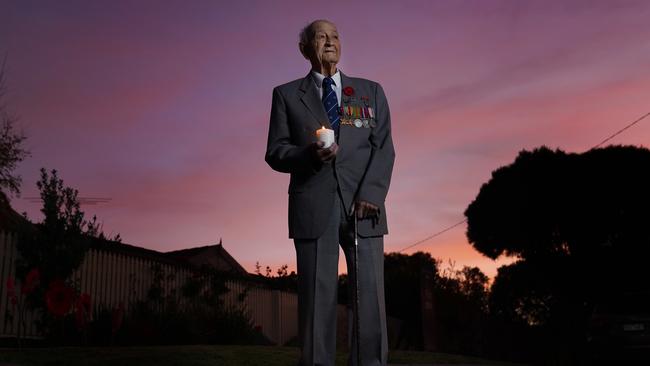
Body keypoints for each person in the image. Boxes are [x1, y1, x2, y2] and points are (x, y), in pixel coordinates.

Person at [265, 19, 395, 366]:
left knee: (369, 297)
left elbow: (384, 148)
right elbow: (276, 151)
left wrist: (372, 193)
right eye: (320, 36)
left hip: (364, 207)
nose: (329, 41)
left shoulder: (371, 91)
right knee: (317, 298)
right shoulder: (287, 95)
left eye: (335, 35)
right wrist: (308, 155)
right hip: (313, 206)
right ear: (304, 48)